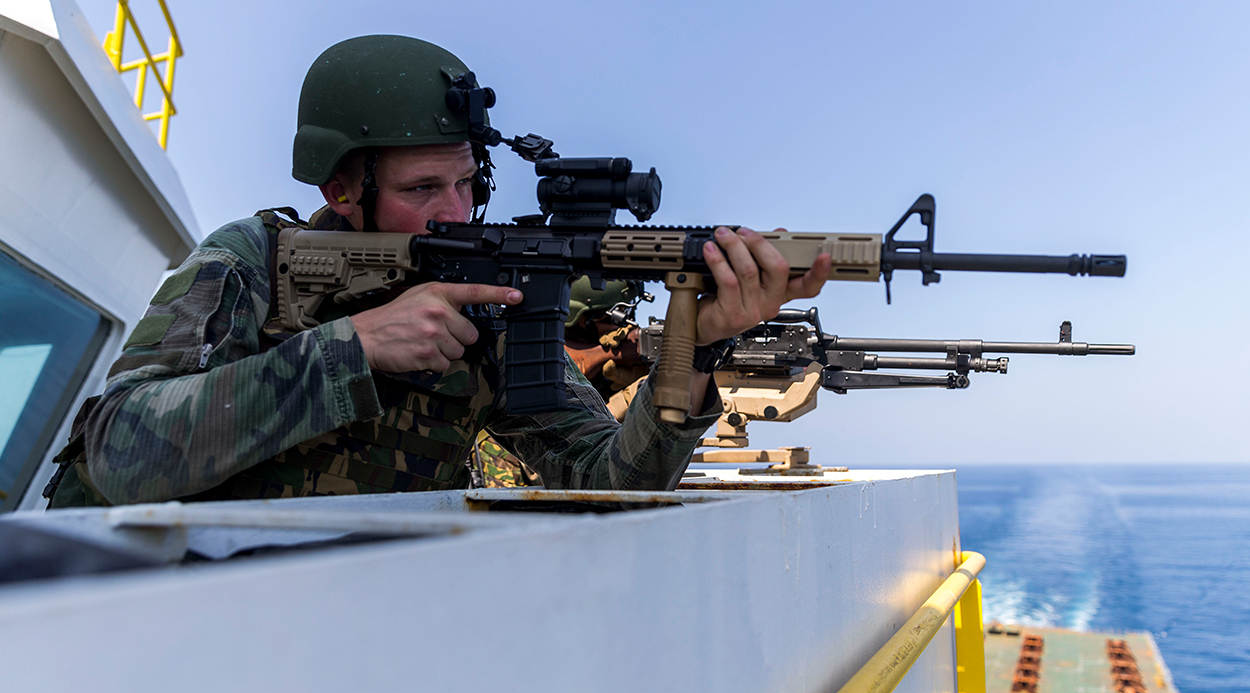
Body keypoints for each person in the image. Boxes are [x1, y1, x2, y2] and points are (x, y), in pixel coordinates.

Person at [45, 34, 830, 507]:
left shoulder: (488, 305)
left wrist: (696, 348)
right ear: (342, 190)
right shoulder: (251, 262)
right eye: (422, 188)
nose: (455, 211)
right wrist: (354, 348)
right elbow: (121, 452)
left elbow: (614, 482)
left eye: (468, 183)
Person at [474, 278, 651, 487]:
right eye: (621, 316)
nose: (627, 327)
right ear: (582, 320)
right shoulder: (520, 370)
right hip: (511, 490)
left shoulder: (612, 371)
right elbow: (572, 445)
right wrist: (633, 396)